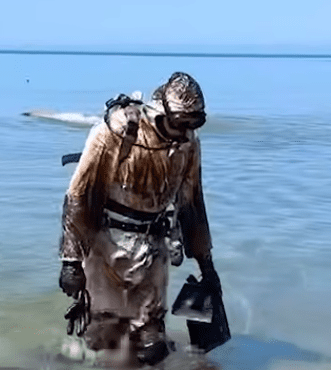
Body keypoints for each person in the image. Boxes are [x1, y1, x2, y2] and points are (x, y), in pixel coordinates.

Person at [59, 72, 219, 366]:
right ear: (161, 114)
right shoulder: (115, 132)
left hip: (152, 247)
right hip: (106, 246)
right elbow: (79, 195)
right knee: (103, 341)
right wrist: (71, 262)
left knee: (151, 344)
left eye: (194, 125)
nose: (186, 133)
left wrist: (206, 264)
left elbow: (192, 204)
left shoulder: (188, 144)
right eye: (181, 124)